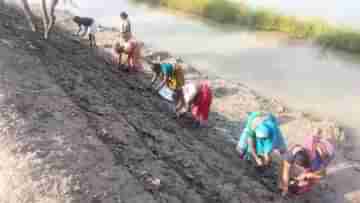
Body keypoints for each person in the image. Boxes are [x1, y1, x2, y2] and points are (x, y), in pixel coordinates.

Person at [279, 131, 335, 196]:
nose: (298, 168)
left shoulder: (316, 162)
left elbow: (322, 174)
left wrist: (307, 175)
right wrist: (285, 185)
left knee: (313, 178)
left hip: (328, 151)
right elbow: (286, 168)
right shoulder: (293, 152)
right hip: (318, 144)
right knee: (294, 173)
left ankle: (307, 187)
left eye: (300, 168)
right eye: (296, 166)